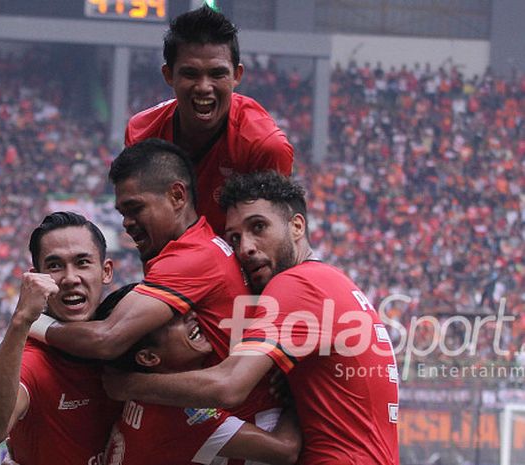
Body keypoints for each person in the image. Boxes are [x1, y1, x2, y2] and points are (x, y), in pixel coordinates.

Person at [103, 171, 400, 465]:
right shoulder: (332, 282)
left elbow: (229, 385)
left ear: (297, 226)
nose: (245, 247)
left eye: (258, 227)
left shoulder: (297, 284)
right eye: (234, 237)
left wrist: (128, 385)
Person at [29, 139, 279, 428]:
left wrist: (32, 324)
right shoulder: (202, 246)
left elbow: (107, 338)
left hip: (243, 429)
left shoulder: (191, 258)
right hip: (234, 423)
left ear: (176, 196)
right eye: (123, 213)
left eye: (135, 208)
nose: (126, 222)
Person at [125, 6, 294, 235]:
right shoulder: (141, 134)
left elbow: (270, 243)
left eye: (217, 74)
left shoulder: (264, 146)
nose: (204, 87)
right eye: (190, 74)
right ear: (168, 75)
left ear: (237, 76)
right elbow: (146, 230)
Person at [0, 212, 122, 465]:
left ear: (106, 271)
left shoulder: (127, 338)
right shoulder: (33, 362)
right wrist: (21, 320)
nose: (70, 278)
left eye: (83, 262)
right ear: (36, 277)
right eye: (55, 266)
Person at [103, 286, 301, 465]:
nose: (189, 313)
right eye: (171, 318)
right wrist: (298, 389)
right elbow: (285, 450)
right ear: (148, 357)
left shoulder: (144, 396)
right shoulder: (178, 413)